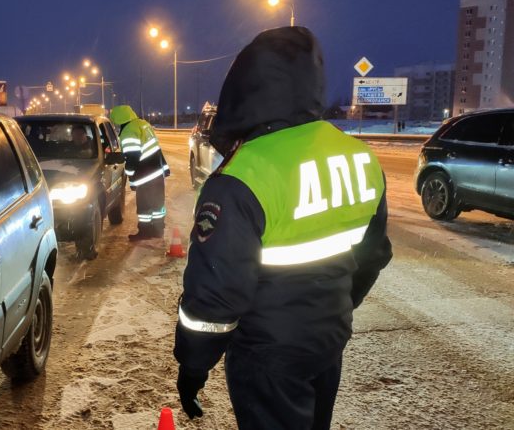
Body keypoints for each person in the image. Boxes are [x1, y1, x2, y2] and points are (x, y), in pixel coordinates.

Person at [173, 26, 393, 429]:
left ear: (243, 90)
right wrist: (335, 307)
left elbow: (215, 297)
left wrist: (193, 365)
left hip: (268, 355)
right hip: (329, 342)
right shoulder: (359, 157)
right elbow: (374, 253)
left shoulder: (240, 178)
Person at [109, 105, 170, 240]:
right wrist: (165, 168)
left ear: (119, 119)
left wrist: (130, 176)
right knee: (157, 203)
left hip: (145, 175)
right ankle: (158, 230)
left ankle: (145, 232)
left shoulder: (128, 132)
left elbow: (132, 158)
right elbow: (156, 148)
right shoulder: (143, 124)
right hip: (157, 171)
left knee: (144, 206)